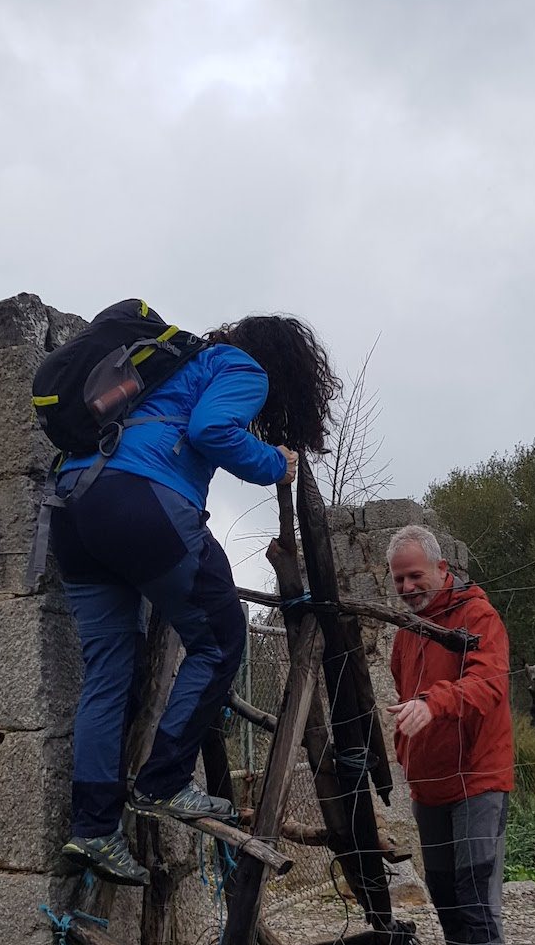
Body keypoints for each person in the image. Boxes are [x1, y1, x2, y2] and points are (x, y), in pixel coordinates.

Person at [51, 313, 338, 885]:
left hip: (70, 512)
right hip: (139, 501)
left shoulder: (163, 373)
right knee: (221, 638)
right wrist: (272, 464)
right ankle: (163, 783)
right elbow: (211, 430)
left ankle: (94, 830)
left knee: (108, 673)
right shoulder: (238, 366)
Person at [386, 525, 514, 945]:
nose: (407, 589)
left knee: (476, 896)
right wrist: (407, 753)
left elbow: (490, 685)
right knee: (443, 896)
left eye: (415, 576)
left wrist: (432, 704)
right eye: (398, 580)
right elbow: (405, 691)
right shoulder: (408, 632)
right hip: (429, 783)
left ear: (442, 570)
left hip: (478, 776)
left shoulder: (478, 617)